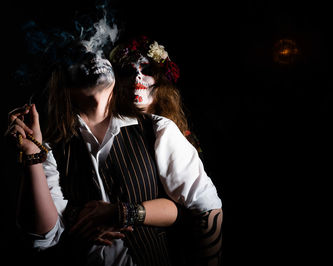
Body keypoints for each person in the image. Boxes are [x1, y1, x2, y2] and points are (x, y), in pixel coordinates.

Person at [5, 31, 222, 266]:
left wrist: (120, 213)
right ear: (63, 80)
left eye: (97, 51)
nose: (93, 56)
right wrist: (32, 155)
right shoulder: (51, 147)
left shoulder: (156, 129)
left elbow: (206, 208)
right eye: (80, 55)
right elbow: (43, 238)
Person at [109, 35, 223, 265]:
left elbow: (206, 207)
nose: (137, 76)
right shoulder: (111, 131)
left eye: (146, 69)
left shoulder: (163, 129)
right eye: (128, 71)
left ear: (161, 81)